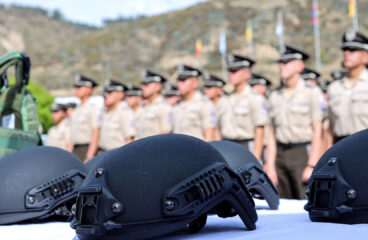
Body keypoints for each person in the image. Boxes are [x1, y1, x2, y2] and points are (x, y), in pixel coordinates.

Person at [264, 45, 324, 199]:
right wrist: (270, 165)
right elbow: (271, 133)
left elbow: (318, 131)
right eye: (281, 62)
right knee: (283, 202)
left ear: (300, 65)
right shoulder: (275, 95)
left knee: (305, 201)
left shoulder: (311, 93)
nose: (282, 66)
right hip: (280, 154)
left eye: (287, 62)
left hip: (302, 153)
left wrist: (312, 164)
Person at [219, 54, 268, 160]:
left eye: (235, 71)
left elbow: (259, 133)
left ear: (247, 74)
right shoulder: (225, 99)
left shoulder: (255, 98)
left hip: (246, 147)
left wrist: (255, 160)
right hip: (226, 146)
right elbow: (218, 130)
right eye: (229, 71)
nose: (230, 74)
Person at [327, 29, 368, 145]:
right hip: (340, 146)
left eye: (353, 50)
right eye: (345, 50)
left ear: (366, 56)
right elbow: (330, 128)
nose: (347, 53)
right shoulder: (334, 87)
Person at [173, 64, 216, 141]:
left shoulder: (204, 104)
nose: (179, 84)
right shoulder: (177, 105)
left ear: (195, 83)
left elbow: (209, 135)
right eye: (178, 80)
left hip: (196, 151)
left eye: (183, 80)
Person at [67, 74, 100, 162]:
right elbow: (72, 134)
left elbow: (96, 132)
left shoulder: (93, 109)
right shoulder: (76, 110)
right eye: (76, 87)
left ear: (89, 89)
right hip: (75, 149)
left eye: (80, 87)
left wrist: (89, 156)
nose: (77, 90)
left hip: (86, 149)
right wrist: (69, 154)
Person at [98, 79, 135, 152]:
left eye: (110, 92)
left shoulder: (124, 112)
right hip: (104, 154)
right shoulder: (105, 112)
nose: (106, 95)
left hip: (117, 155)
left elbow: (129, 140)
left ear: (120, 94)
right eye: (105, 92)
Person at [135, 70, 172, 139]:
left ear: (158, 87)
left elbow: (165, 137)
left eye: (147, 84)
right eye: (143, 84)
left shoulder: (164, 107)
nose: (143, 87)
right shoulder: (143, 108)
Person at [248, 73, 272, 162]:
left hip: (265, 147)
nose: (252, 88)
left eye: (255, 86)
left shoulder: (265, 103)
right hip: (256, 145)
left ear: (264, 88)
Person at [203, 73, 228, 140]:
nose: (205, 90)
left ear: (219, 90)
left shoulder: (226, 105)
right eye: (205, 87)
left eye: (209, 87)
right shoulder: (206, 105)